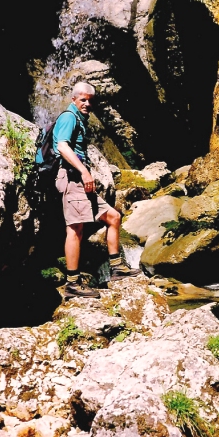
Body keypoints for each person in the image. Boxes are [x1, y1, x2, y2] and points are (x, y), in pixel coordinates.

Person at [53, 81, 140, 299]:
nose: (87, 103)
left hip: (81, 183)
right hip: (72, 180)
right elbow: (62, 146)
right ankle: (72, 283)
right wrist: (84, 171)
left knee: (113, 217)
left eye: (91, 100)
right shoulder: (68, 117)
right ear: (74, 99)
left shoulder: (81, 120)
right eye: (83, 99)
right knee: (75, 230)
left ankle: (117, 268)